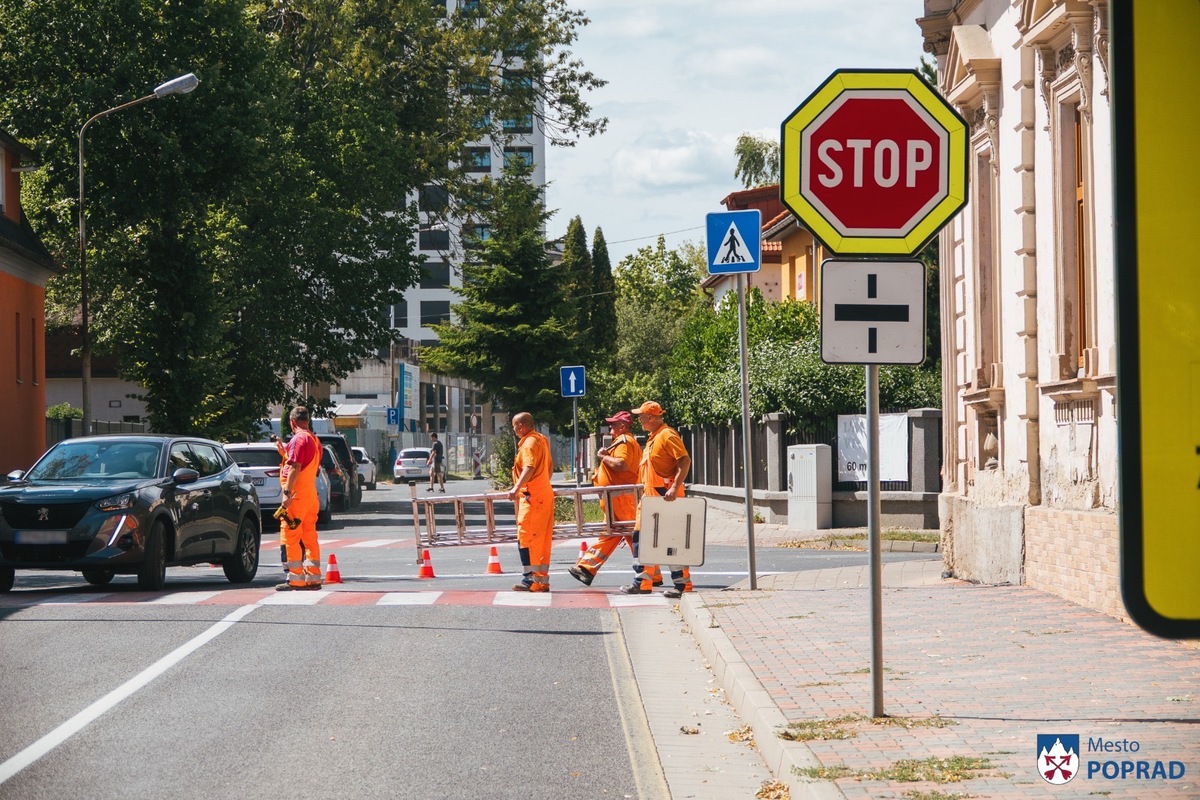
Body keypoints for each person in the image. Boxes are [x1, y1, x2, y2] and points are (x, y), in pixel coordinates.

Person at [568, 410, 653, 587]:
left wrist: (603, 456)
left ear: (622, 426)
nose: (610, 427)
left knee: (629, 534)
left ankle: (587, 568)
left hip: (621, 498)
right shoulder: (622, 441)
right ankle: (587, 568)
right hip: (617, 499)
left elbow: (622, 465)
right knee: (618, 533)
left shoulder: (624, 441)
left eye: (613, 424)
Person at [620, 400, 693, 598]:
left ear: (651, 418)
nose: (639, 420)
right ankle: (642, 582)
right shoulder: (655, 437)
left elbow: (684, 460)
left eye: (641, 417)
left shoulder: (667, 435)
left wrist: (674, 487)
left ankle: (682, 584)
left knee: (671, 541)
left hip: (665, 498)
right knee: (643, 539)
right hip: (652, 499)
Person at [277, 406, 323, 590]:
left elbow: (296, 467)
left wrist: (287, 493)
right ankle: (313, 578)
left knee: (291, 535)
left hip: (297, 496)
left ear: (292, 422)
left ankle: (296, 579)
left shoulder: (298, 438)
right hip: (310, 495)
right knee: (309, 535)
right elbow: (307, 464)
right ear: (307, 421)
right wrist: (285, 453)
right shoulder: (314, 440)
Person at [509, 412, 555, 592]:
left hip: (532, 497)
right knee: (542, 540)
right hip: (543, 494)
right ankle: (541, 580)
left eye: (514, 426)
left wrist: (516, 488)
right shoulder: (541, 440)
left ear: (520, 426)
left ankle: (530, 580)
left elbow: (529, 467)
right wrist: (542, 484)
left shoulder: (529, 443)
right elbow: (549, 467)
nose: (514, 430)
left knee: (527, 538)